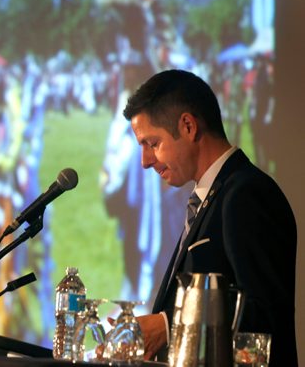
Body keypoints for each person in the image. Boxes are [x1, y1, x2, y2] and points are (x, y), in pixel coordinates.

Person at [121, 69, 297, 366]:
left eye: (152, 143)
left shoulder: (246, 193)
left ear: (188, 126)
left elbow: (263, 312)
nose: (145, 161)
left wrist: (167, 326)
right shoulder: (211, 196)